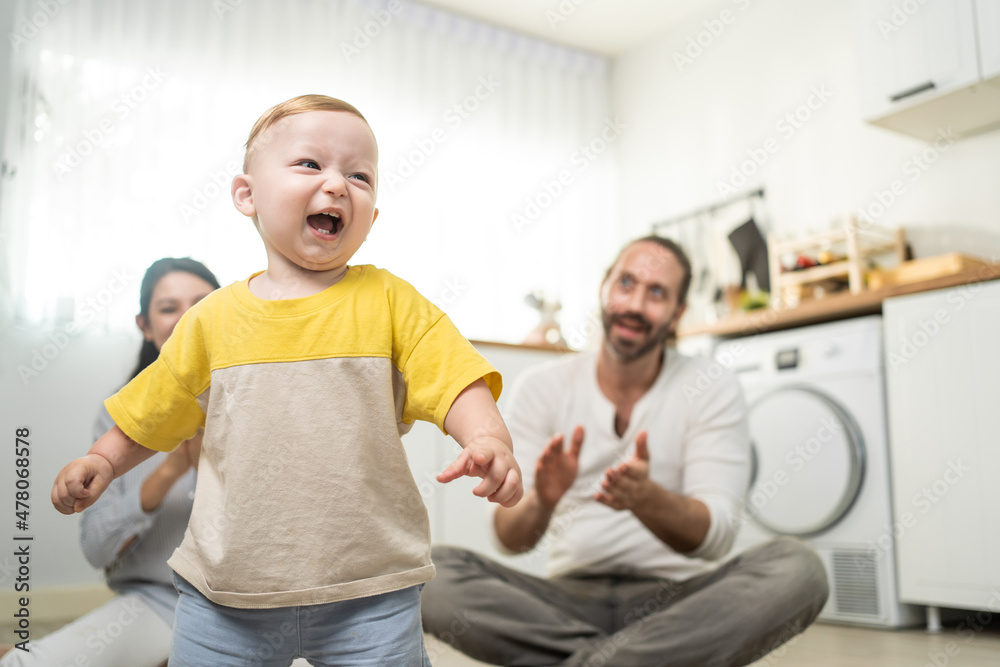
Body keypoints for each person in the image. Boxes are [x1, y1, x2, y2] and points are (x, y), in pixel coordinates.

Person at [50, 94, 522, 667]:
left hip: (369, 592)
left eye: (359, 174)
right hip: (224, 597)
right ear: (247, 194)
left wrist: (488, 438)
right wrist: (103, 460)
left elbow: (454, 375)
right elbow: (153, 409)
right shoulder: (212, 321)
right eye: (309, 164)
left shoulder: (391, 302)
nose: (337, 184)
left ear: (371, 218)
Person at [422, 236, 830, 667]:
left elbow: (716, 539)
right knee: (433, 572)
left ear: (677, 313)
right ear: (604, 288)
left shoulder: (710, 388)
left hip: (677, 606)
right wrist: (544, 497)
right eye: (626, 283)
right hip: (562, 604)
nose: (635, 303)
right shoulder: (543, 387)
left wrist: (647, 500)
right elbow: (508, 539)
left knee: (798, 568)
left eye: (657, 293)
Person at [1, 257, 219, 666]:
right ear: (145, 324)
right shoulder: (118, 422)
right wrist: (170, 469)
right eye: (169, 308)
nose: (188, 320)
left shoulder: (255, 398)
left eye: (202, 305)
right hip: (159, 601)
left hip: (255, 605)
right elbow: (97, 549)